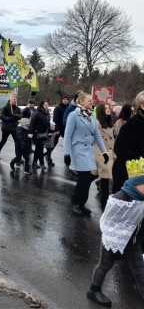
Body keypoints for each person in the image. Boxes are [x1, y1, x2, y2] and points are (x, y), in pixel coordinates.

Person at [87, 159, 144, 307]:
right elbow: (107, 220)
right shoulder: (122, 198)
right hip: (115, 233)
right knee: (106, 263)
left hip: (133, 235)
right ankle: (94, 290)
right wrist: (115, 237)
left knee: (139, 267)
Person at [64, 92, 108, 216]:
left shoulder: (92, 117)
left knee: (88, 178)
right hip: (77, 151)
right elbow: (67, 136)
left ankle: (79, 201)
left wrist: (104, 151)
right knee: (84, 178)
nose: (91, 102)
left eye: (92, 101)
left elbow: (98, 136)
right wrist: (67, 153)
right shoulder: (73, 115)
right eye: (89, 100)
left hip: (88, 151)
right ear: (81, 102)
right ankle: (77, 203)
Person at [113, 91, 144, 193]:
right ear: (142, 105)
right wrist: (138, 162)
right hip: (128, 173)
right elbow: (119, 149)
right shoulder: (132, 124)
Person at [95, 104, 115, 210]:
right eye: (106, 108)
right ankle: (104, 205)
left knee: (106, 180)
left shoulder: (110, 122)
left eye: (109, 108)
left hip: (111, 153)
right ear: (101, 111)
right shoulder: (97, 123)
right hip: (103, 154)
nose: (109, 110)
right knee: (106, 180)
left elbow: (113, 139)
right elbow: (97, 140)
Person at [0, 93, 21, 161]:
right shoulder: (6, 107)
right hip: (6, 128)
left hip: (14, 128)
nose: (14, 100)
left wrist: (15, 116)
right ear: (10, 99)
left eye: (15, 99)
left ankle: (18, 157)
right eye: (13, 98)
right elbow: (1, 116)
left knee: (17, 142)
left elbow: (20, 116)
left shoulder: (17, 108)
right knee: (3, 141)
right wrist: (9, 118)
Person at [10, 109, 32, 174]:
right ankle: (12, 162)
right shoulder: (21, 125)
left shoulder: (24, 123)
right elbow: (20, 136)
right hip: (21, 144)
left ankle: (26, 170)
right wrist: (23, 144)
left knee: (25, 157)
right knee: (20, 157)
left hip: (25, 143)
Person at [30, 101, 50, 170]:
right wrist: (31, 133)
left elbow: (47, 123)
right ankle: (41, 164)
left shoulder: (47, 113)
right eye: (45, 105)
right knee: (40, 149)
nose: (47, 106)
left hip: (44, 133)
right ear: (42, 105)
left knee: (39, 149)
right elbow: (32, 123)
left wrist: (49, 130)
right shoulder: (37, 113)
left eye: (47, 105)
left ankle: (35, 163)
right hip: (37, 133)